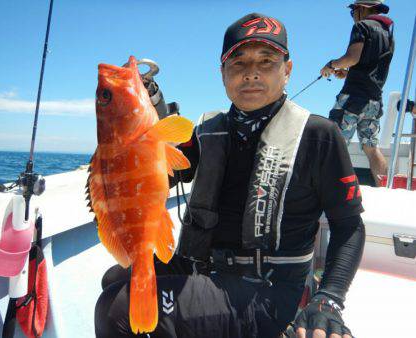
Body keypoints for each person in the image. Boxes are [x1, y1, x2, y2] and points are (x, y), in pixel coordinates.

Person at [95, 13, 365, 338]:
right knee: (115, 278)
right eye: (238, 63)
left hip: (267, 290)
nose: (251, 73)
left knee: (115, 309)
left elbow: (349, 225)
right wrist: (141, 121)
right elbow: (157, 174)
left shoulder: (319, 135)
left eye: (266, 61)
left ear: (287, 71)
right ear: (223, 74)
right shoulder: (208, 132)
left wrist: (330, 299)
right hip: (203, 266)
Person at [320, 0, 394, 186]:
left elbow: (351, 58)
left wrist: (330, 65)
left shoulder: (362, 26)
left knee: (334, 143)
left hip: (353, 98)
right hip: (374, 100)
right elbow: (371, 68)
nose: (353, 15)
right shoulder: (388, 34)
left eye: (353, 11)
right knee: (371, 148)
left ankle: (330, 192)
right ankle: (384, 190)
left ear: (362, 8)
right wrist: (347, 73)